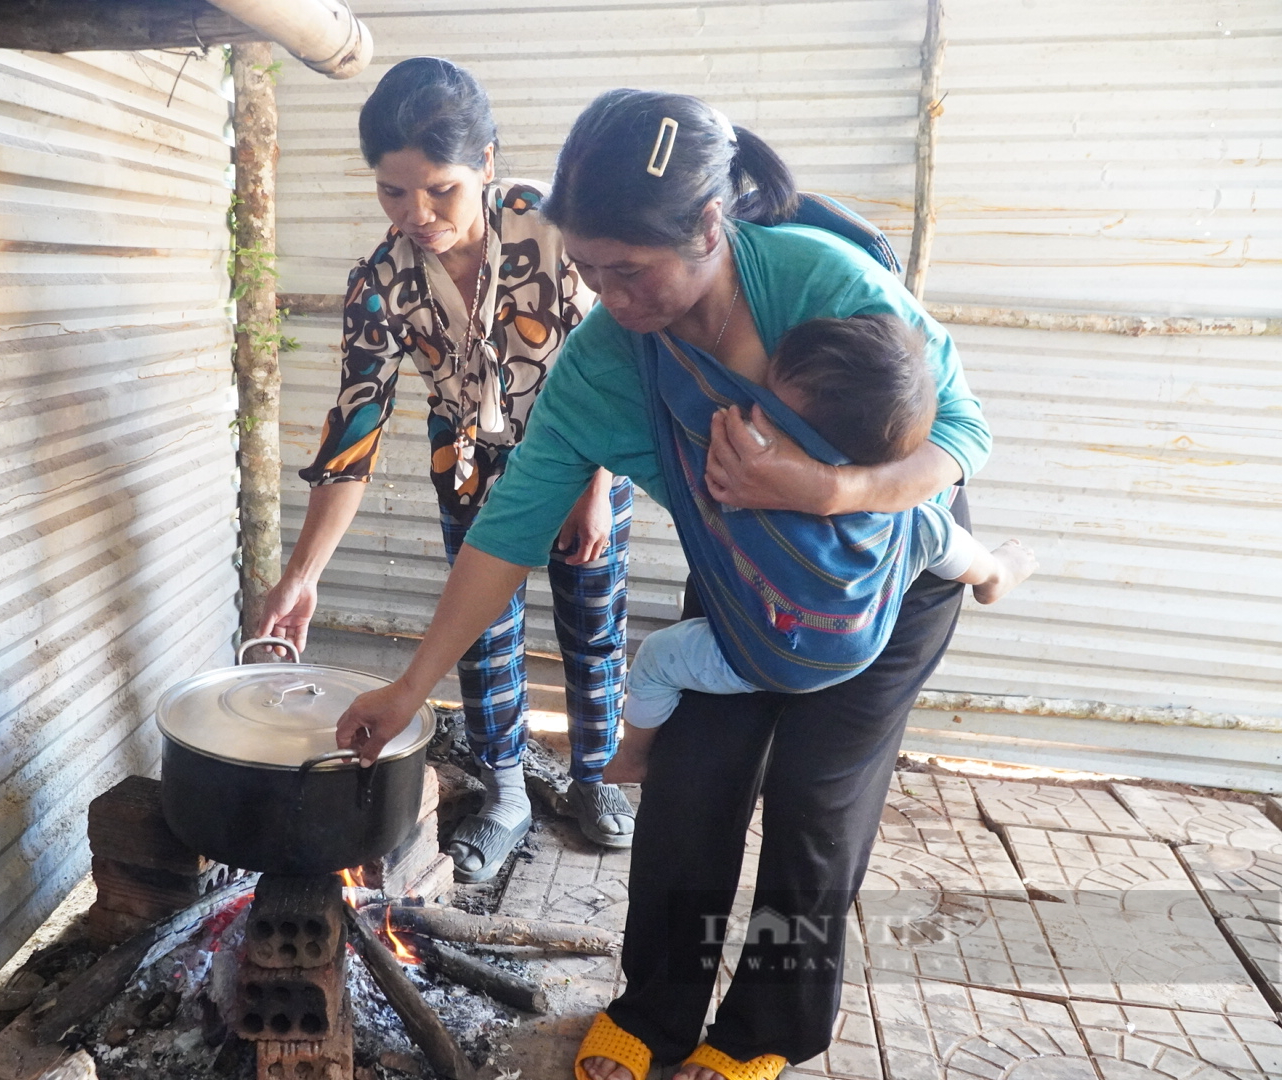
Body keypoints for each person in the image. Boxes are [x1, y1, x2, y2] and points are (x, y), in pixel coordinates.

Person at [331, 88, 993, 1080]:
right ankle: (657, 1012)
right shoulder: (607, 361)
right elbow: (505, 534)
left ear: (706, 225)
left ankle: (765, 1031)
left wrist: (821, 487)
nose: (613, 300)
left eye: (630, 271)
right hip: (742, 573)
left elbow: (961, 437)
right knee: (690, 780)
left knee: (813, 801)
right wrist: (407, 687)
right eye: (589, 270)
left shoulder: (819, 282)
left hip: (884, 567)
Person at [256, 57, 637, 883]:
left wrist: (596, 488)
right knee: (481, 633)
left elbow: (617, 362)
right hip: (468, 461)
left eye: (441, 190)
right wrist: (302, 575)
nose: (418, 215)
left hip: (588, 453)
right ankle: (506, 793)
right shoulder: (380, 283)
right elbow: (354, 433)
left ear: (488, 166)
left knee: (591, 620)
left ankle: (595, 776)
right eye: (394, 193)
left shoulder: (556, 229)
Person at [605, 314, 1037, 784]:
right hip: (859, 642)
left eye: (770, 402)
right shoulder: (896, 503)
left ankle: (632, 755)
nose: (755, 406)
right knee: (930, 527)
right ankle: (994, 574)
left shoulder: (747, 485)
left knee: (656, 660)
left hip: (764, 657)